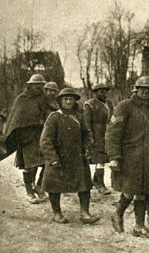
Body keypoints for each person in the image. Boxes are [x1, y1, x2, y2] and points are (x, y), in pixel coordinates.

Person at [106, 76, 149, 238]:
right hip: (129, 157)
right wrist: (114, 156)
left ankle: (139, 226)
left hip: (147, 157)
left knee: (142, 192)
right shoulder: (125, 106)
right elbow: (112, 134)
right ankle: (117, 215)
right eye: (142, 88)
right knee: (130, 190)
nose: (146, 92)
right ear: (136, 89)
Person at [40, 88, 99, 224]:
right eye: (65, 99)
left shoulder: (79, 116)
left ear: (74, 101)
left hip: (77, 157)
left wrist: (87, 147)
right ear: (60, 101)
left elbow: (87, 134)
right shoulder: (54, 117)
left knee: (84, 186)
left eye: (71, 99)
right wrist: (52, 158)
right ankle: (57, 213)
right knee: (54, 186)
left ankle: (85, 213)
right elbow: (45, 140)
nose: (68, 102)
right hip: (59, 157)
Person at [4, 74, 50, 204]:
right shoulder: (22, 99)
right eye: (35, 84)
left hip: (41, 137)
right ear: (29, 85)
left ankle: (39, 186)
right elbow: (16, 119)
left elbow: (50, 113)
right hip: (26, 138)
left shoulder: (44, 99)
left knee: (47, 162)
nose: (38, 87)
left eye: (41, 85)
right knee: (30, 166)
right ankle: (29, 192)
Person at [84, 83, 114, 195]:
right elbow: (87, 123)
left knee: (105, 158)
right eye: (101, 92)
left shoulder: (109, 103)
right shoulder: (90, 105)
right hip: (96, 134)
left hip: (107, 133)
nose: (104, 94)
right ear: (95, 93)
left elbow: (113, 116)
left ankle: (95, 180)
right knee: (99, 159)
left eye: (105, 91)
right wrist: (90, 137)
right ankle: (101, 184)